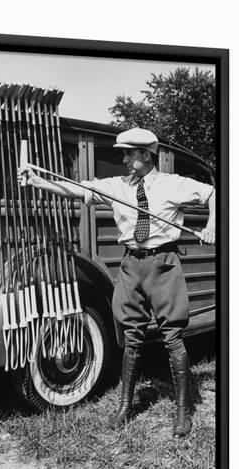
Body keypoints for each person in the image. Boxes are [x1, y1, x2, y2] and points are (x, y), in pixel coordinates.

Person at [20, 128, 215, 437]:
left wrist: (211, 226)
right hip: (130, 265)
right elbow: (74, 188)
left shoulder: (172, 184)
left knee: (172, 337)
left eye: (129, 154)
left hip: (162, 264)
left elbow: (212, 193)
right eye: (123, 153)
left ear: (146, 155)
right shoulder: (116, 186)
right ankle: (125, 406)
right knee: (132, 337)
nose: (124, 159)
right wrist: (38, 181)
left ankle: (182, 412)